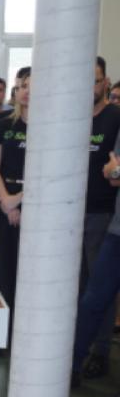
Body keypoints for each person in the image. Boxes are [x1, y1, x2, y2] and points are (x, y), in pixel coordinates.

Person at [76, 56, 120, 377]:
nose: (89, 86)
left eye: (94, 80)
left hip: (102, 213)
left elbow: (113, 171)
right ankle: (74, 349)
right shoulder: (72, 117)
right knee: (78, 286)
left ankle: (100, 351)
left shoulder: (115, 117)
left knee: (99, 288)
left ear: (104, 83)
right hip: (69, 212)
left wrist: (113, 170)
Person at [0, 67, 31, 345]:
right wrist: (7, 201)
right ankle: (7, 330)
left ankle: (28, 328)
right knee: (6, 264)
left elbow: (50, 172)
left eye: (33, 86)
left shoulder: (51, 126)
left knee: (32, 268)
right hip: (4, 201)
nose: (27, 91)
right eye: (23, 86)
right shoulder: (3, 122)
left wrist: (21, 199)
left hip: (35, 202)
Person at [71, 145, 120, 394]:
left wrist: (116, 170)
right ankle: (72, 367)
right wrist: (115, 171)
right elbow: (112, 177)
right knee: (93, 300)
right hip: (117, 232)